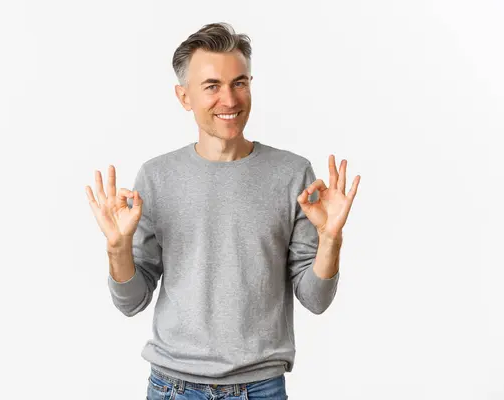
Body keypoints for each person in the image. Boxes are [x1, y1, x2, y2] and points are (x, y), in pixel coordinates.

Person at [86, 22, 360, 400]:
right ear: (184, 97)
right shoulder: (156, 177)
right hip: (173, 387)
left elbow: (316, 299)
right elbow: (131, 301)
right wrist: (118, 247)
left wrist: (331, 239)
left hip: (261, 387)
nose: (229, 100)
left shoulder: (293, 175)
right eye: (212, 86)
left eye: (240, 83)